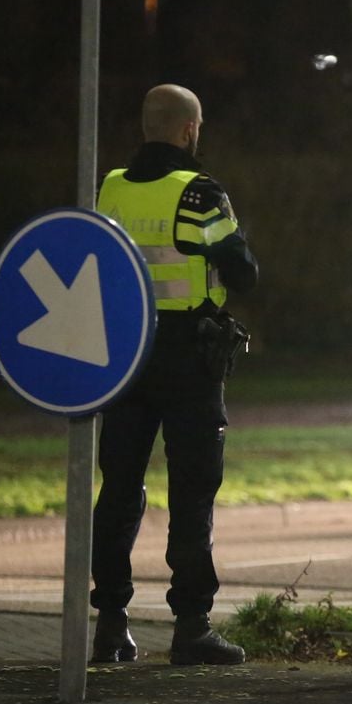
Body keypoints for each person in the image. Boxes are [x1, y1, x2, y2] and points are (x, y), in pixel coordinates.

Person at [89, 84, 259, 665]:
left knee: (118, 490)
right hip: (188, 357)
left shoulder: (109, 188)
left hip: (124, 355)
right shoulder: (200, 195)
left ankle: (111, 623)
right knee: (192, 492)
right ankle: (191, 627)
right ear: (189, 130)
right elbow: (243, 273)